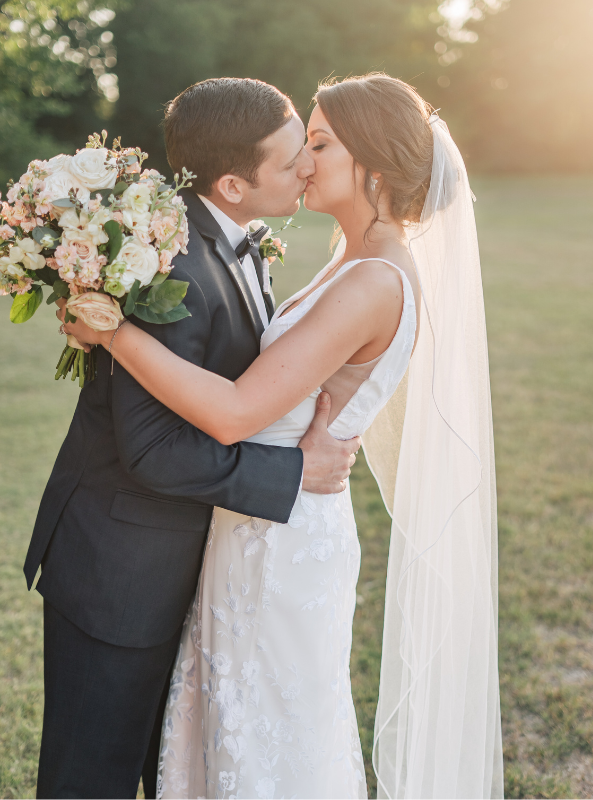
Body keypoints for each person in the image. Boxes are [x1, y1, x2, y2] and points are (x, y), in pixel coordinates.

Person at [62, 74, 503, 800]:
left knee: (274, 744)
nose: (304, 162)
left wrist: (115, 335)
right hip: (256, 524)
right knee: (231, 728)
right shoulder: (351, 257)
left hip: (285, 545)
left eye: (321, 144)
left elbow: (237, 412)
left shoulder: (375, 281)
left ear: (377, 167)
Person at [26, 78, 360, 800]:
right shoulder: (170, 262)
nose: (308, 164)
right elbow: (153, 451)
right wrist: (292, 473)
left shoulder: (231, 239)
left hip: (186, 565)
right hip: (121, 569)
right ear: (233, 184)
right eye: (292, 156)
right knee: (92, 780)